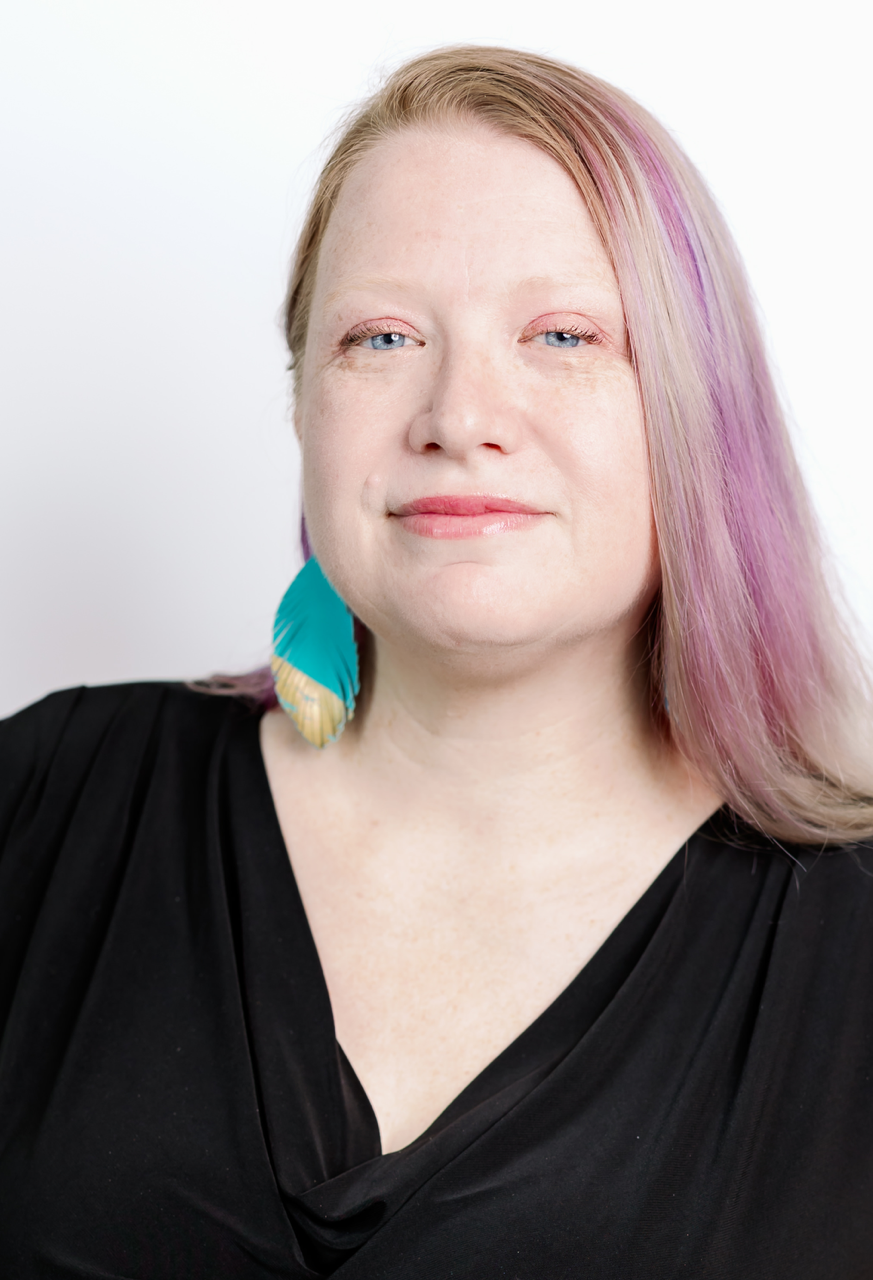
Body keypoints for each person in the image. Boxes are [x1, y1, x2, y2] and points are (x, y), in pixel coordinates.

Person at [1, 44, 872, 1279]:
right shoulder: (47, 799)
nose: (459, 415)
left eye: (562, 333)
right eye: (383, 336)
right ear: (305, 403)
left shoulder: (848, 934)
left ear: (699, 412)